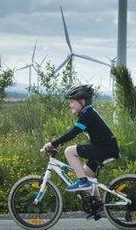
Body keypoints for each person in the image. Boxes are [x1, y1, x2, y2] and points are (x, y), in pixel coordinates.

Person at [42, 84, 120, 219]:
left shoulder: (87, 114)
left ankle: (83, 181)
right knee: (87, 174)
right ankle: (97, 205)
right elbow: (74, 133)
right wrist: (56, 144)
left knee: (69, 151)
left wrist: (53, 144)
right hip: (105, 149)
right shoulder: (88, 112)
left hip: (104, 150)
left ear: (82, 101)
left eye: (72, 102)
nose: (70, 105)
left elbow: (73, 133)